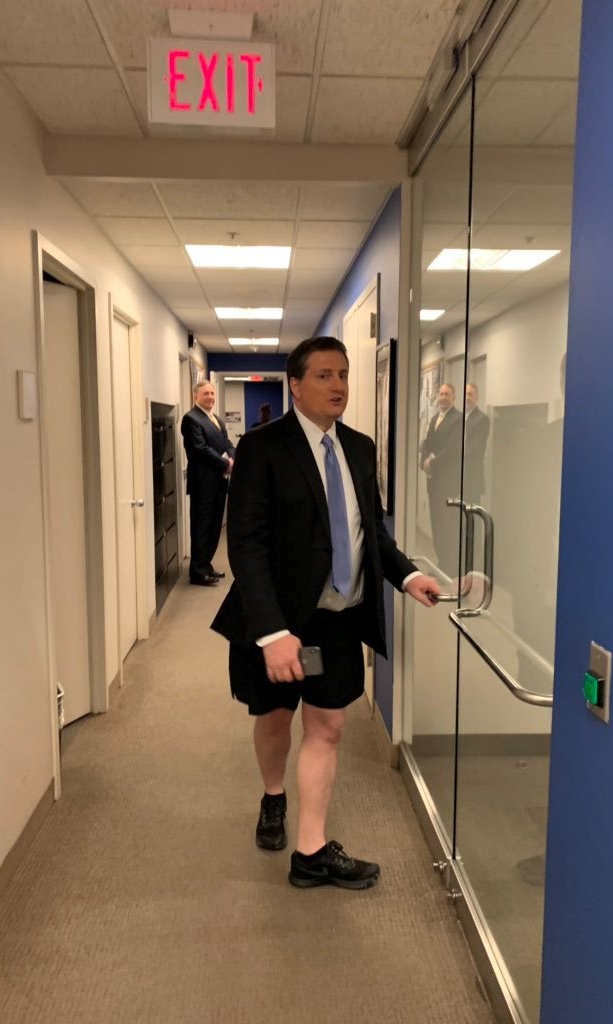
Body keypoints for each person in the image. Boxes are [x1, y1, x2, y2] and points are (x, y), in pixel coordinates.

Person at [211, 336, 442, 890]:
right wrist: (272, 632)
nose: (338, 385)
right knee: (274, 717)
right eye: (323, 375)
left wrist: (408, 575)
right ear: (295, 384)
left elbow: (370, 530)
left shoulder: (359, 448)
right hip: (276, 618)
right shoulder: (263, 448)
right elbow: (246, 544)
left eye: (343, 374)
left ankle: (311, 851)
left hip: (338, 615)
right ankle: (273, 797)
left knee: (329, 726)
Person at [180, 380, 235, 586]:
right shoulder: (191, 419)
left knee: (214, 526)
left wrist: (232, 458)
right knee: (201, 527)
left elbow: (228, 444)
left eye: (212, 393)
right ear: (196, 396)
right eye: (206, 394)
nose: (210, 397)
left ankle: (206, 565)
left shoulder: (217, 419)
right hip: (203, 484)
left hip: (219, 482)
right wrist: (225, 464)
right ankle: (197, 572)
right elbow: (200, 448)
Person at [420, 382, 462, 576]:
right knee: (436, 522)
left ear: (453, 398)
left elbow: (453, 449)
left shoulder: (458, 419)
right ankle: (442, 562)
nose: (443, 397)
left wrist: (433, 462)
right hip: (433, 481)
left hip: (447, 483)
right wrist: (424, 460)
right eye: (441, 394)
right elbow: (426, 444)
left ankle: (450, 567)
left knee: (447, 525)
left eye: (447, 394)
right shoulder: (435, 418)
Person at [463, 383, 490, 504]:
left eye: (470, 394)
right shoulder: (461, 418)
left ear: (477, 397)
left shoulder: (482, 419)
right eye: (465, 394)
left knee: (471, 513)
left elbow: (475, 449)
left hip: (471, 479)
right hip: (458, 478)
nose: (467, 398)